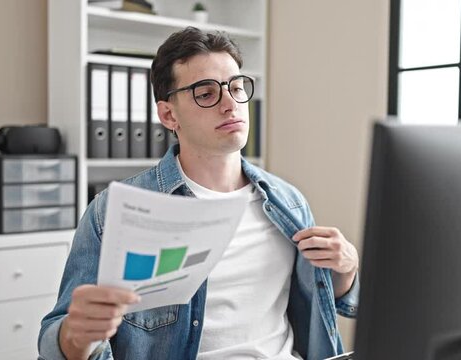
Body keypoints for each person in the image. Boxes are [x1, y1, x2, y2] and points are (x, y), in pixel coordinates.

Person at [38, 27, 360, 360]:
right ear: (168, 114)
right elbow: (57, 338)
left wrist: (346, 270)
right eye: (206, 94)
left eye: (236, 88)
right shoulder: (114, 212)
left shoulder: (288, 202)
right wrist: (77, 336)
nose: (229, 104)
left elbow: (321, 305)